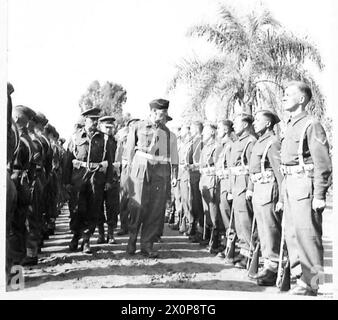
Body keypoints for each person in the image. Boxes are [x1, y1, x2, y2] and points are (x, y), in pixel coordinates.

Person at [280, 81, 332, 295]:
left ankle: (313, 283)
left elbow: (323, 163)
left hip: (304, 183)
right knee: (292, 233)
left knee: (308, 235)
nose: (284, 97)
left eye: (288, 94)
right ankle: (299, 277)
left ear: (301, 99)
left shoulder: (311, 124)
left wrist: (319, 194)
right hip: (290, 183)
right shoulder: (291, 124)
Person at [125, 98, 178, 258]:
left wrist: (173, 176)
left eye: (166, 113)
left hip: (160, 173)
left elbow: (174, 158)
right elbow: (129, 153)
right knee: (137, 206)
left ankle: (147, 245)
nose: (165, 116)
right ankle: (132, 238)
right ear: (153, 112)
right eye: (163, 113)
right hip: (140, 170)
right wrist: (129, 175)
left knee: (155, 209)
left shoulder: (169, 133)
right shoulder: (137, 127)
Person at [64, 107, 114, 254]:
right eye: (92, 120)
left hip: (96, 179)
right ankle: (75, 236)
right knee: (77, 209)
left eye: (96, 120)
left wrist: (108, 180)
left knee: (93, 209)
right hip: (78, 178)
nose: (94, 123)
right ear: (85, 120)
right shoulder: (75, 137)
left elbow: (109, 161)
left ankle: (86, 240)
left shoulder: (104, 139)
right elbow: (68, 161)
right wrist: (66, 181)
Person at [247, 109, 283, 286]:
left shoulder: (273, 142)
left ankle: (273, 268)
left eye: (258, 120)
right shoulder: (259, 142)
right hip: (259, 190)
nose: (254, 123)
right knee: (262, 230)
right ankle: (267, 265)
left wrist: (282, 199)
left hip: (270, 190)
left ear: (268, 123)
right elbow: (253, 170)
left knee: (271, 230)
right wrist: (250, 188)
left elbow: (279, 172)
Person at [227, 112, 257, 268]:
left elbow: (254, 167)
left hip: (245, 183)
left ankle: (249, 253)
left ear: (245, 124)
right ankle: (243, 250)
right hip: (237, 183)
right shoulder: (237, 142)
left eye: (237, 123)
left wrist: (251, 188)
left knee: (246, 220)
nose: (233, 126)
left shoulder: (251, 142)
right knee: (239, 221)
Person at [214, 119, 236, 257]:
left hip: (227, 182)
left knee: (228, 215)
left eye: (220, 128)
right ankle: (226, 243)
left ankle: (231, 245)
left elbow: (231, 168)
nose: (218, 131)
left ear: (226, 130)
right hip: (221, 181)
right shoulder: (221, 145)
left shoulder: (230, 145)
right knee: (223, 214)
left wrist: (230, 189)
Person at [198, 122, 220, 253]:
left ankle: (216, 239)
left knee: (213, 211)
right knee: (206, 210)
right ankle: (208, 236)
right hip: (204, 179)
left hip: (211, 179)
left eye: (205, 131)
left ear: (212, 132)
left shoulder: (217, 146)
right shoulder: (205, 147)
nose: (202, 134)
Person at [97, 116, 118, 244]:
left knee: (112, 207)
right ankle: (101, 234)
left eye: (111, 127)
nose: (109, 130)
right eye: (107, 127)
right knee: (98, 207)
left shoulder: (115, 141)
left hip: (113, 179)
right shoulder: (97, 140)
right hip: (99, 177)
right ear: (101, 127)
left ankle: (111, 234)